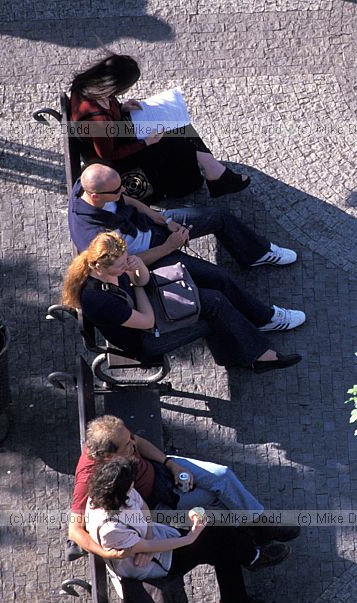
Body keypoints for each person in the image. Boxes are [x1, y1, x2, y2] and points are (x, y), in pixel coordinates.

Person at [68, 164, 306, 333]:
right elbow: (130, 264)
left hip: (149, 226)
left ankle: (256, 254)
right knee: (220, 278)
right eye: (116, 191)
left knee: (217, 217)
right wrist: (169, 246)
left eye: (120, 185)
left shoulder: (93, 189)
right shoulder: (94, 237)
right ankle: (265, 319)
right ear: (95, 196)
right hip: (150, 258)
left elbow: (127, 201)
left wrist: (163, 220)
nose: (122, 191)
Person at [68, 415, 300, 563]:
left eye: (130, 439)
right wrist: (105, 553)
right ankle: (252, 547)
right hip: (157, 504)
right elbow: (74, 530)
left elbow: (141, 444)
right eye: (127, 446)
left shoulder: (119, 437)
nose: (133, 444)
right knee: (217, 505)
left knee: (222, 476)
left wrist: (171, 464)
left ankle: (259, 524)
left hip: (162, 471)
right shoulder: (88, 476)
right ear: (108, 456)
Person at [62, 232, 303, 371]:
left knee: (213, 300)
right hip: (145, 339)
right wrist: (137, 286)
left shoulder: (110, 266)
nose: (126, 264)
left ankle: (243, 355)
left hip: (146, 309)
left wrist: (138, 267)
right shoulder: (100, 299)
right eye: (121, 264)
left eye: (127, 258)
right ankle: (258, 356)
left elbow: (142, 280)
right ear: (99, 267)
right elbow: (147, 321)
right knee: (213, 313)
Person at [86, 456, 287, 603]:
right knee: (218, 539)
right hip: (153, 567)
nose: (133, 486)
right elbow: (143, 548)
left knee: (220, 539)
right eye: (131, 484)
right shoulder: (111, 528)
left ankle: (241, 580)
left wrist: (150, 537)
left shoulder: (110, 495)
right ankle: (246, 569)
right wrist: (190, 537)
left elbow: (142, 507)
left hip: (156, 543)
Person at [69, 53, 250, 201]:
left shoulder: (87, 85)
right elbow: (108, 155)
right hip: (116, 157)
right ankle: (208, 178)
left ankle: (215, 172)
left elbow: (105, 112)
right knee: (176, 139)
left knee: (178, 125)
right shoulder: (100, 120)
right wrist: (145, 143)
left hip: (115, 134)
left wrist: (121, 108)